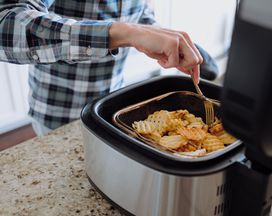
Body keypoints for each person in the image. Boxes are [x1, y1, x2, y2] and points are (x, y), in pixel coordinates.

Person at [0, 0, 203, 136]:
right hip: (59, 115)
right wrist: (125, 33)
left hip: (111, 105)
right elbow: (6, 24)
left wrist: (160, 36)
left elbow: (140, 12)